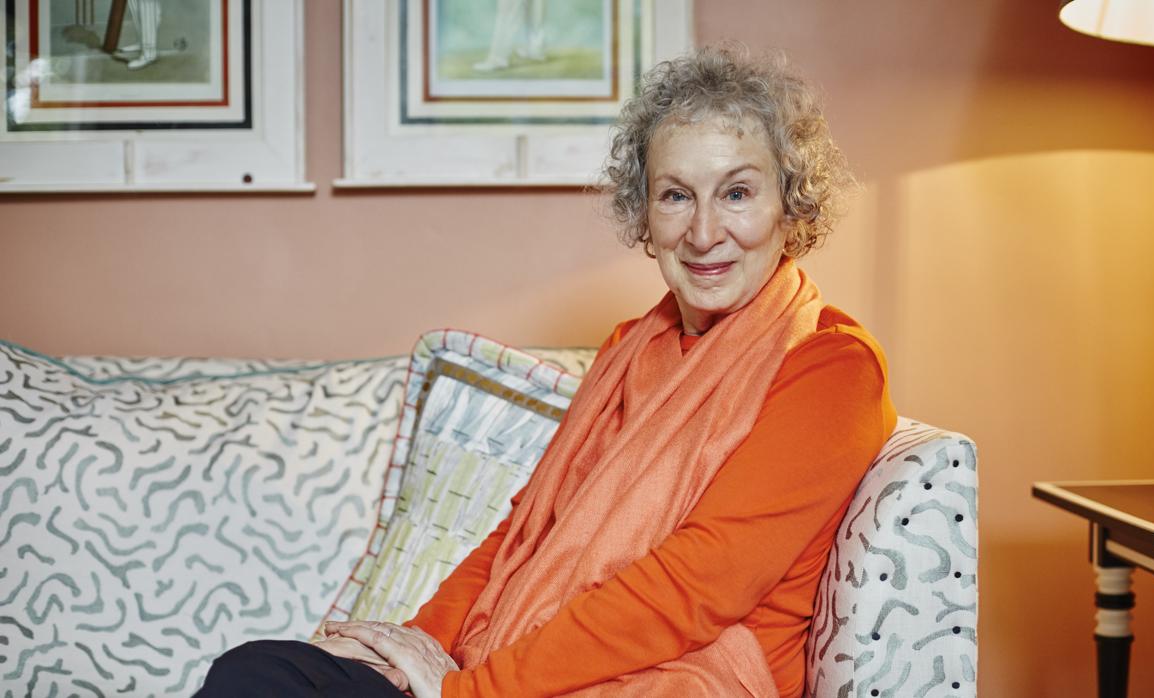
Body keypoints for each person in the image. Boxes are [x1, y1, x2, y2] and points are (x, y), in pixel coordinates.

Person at [195, 44, 896, 698]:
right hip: (512, 665)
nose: (705, 232)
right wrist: (415, 649)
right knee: (256, 672)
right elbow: (523, 535)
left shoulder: (832, 368)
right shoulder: (631, 348)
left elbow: (697, 585)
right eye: (676, 195)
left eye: (737, 193)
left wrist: (465, 691)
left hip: (669, 679)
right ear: (645, 215)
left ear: (790, 204)